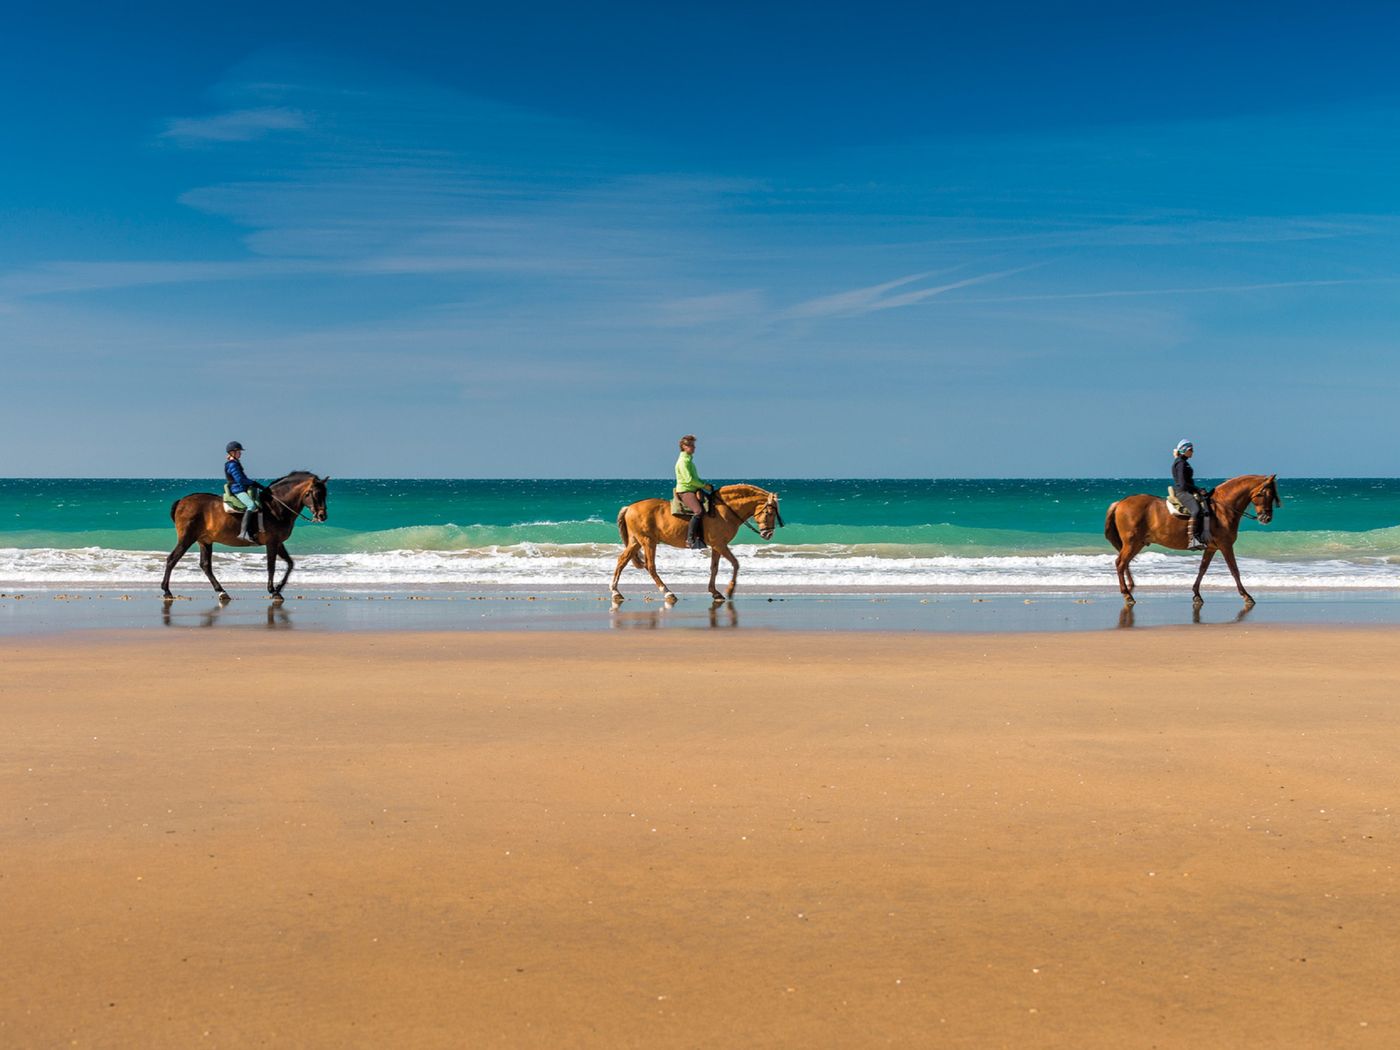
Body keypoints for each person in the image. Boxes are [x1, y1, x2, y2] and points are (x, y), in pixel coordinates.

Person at [674, 434, 717, 549]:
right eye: (690, 445)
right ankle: (690, 539)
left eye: (693, 445)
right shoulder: (683, 461)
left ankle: (704, 537)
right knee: (698, 512)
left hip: (693, 489)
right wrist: (704, 486)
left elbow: (695, 479)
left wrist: (705, 485)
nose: (693, 447)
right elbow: (689, 480)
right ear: (683, 446)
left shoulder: (689, 460)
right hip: (685, 491)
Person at [1171, 439, 1207, 550]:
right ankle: (1192, 540)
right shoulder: (1181, 463)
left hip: (1187, 491)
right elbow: (1183, 483)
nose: (1193, 452)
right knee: (1196, 510)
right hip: (1182, 492)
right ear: (1184, 450)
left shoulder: (1183, 462)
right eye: (1191, 449)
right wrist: (1198, 489)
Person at [225, 441, 261, 543]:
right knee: (251, 505)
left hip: (241, 487)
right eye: (238, 451)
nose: (240, 453)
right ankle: (243, 532)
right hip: (238, 489)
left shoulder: (235, 463)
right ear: (232, 452)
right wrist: (253, 483)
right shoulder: (232, 465)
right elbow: (240, 480)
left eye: (240, 451)